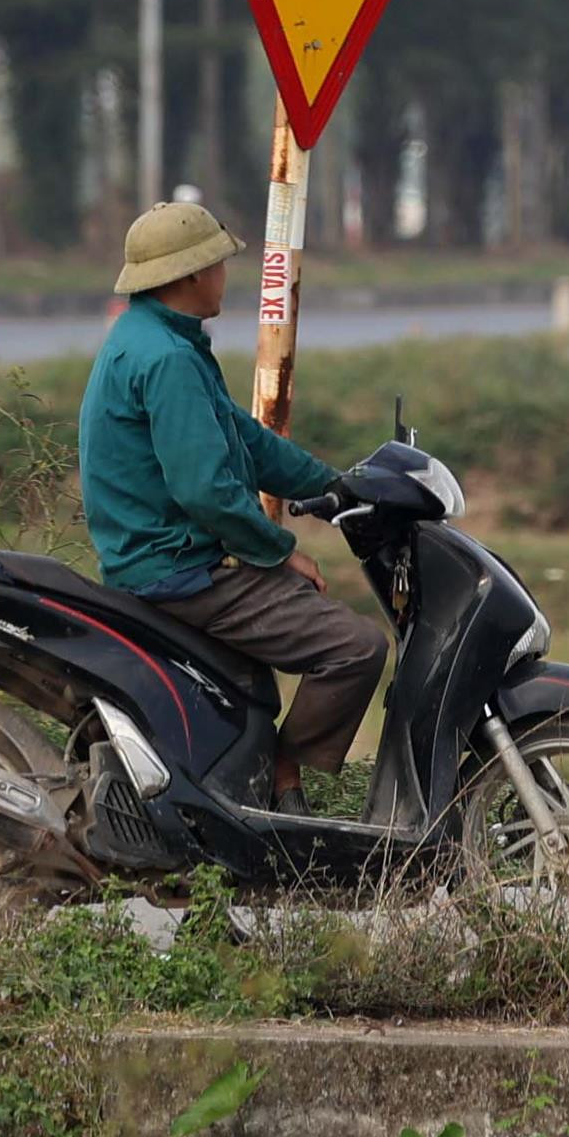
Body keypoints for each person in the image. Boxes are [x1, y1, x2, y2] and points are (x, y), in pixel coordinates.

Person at [77, 202, 389, 817]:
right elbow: (205, 491)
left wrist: (336, 485)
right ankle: (284, 768)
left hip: (159, 557)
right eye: (217, 263)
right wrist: (279, 552)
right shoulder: (168, 361)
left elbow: (244, 440)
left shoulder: (155, 339)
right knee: (356, 647)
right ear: (191, 275)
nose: (225, 274)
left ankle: (248, 792)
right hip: (177, 568)